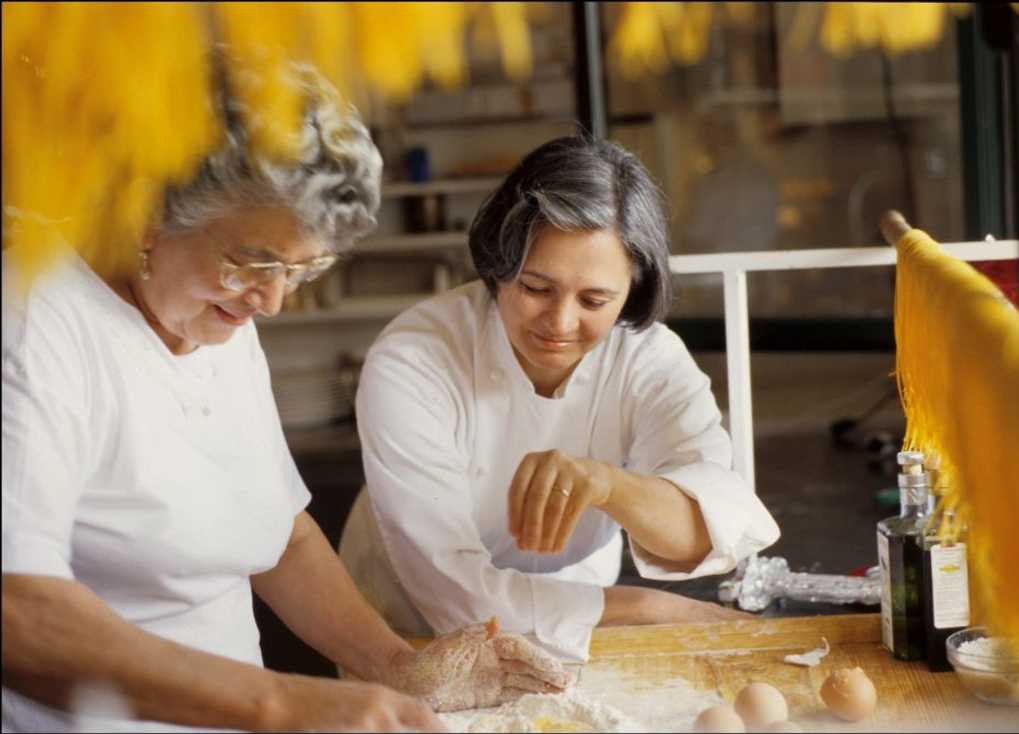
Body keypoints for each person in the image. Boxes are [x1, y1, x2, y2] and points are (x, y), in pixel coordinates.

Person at [0, 62, 569, 733]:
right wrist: (282, 702)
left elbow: (283, 536)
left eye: (302, 269)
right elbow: (17, 609)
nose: (272, 301)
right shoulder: (33, 320)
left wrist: (396, 666)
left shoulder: (210, 314)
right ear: (145, 213)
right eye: (255, 261)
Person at [347, 135, 782, 662]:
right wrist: (648, 609)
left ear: (632, 289)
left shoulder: (648, 359)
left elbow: (704, 528)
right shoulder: (414, 360)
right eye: (535, 288)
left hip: (579, 616)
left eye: (595, 299)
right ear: (499, 264)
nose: (560, 323)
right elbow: (457, 594)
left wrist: (607, 483)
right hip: (409, 628)